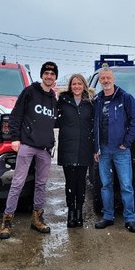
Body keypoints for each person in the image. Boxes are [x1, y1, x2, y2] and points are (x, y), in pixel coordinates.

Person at [0, 61, 59, 240]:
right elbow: (15, 115)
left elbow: (53, 122)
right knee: (17, 183)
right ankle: (7, 222)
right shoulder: (29, 92)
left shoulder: (53, 99)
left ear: (55, 78)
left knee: (41, 184)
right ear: (42, 75)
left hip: (45, 149)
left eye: (52, 74)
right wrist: (15, 138)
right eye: (46, 73)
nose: (49, 76)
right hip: (27, 146)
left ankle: (37, 219)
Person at [93, 66, 135, 233]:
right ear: (99, 81)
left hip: (121, 150)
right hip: (103, 151)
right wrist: (96, 148)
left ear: (113, 79)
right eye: (102, 79)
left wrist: (126, 143)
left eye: (108, 78)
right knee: (105, 185)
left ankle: (130, 219)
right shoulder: (97, 100)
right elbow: (94, 126)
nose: (105, 81)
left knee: (126, 185)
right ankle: (108, 216)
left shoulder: (125, 98)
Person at [56, 73, 94, 228]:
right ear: (70, 86)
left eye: (79, 84)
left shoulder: (90, 103)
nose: (77, 87)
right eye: (74, 84)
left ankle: (79, 211)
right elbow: (53, 120)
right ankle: (71, 211)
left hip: (85, 148)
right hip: (68, 147)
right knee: (70, 182)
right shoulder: (63, 102)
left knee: (81, 183)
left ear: (84, 85)